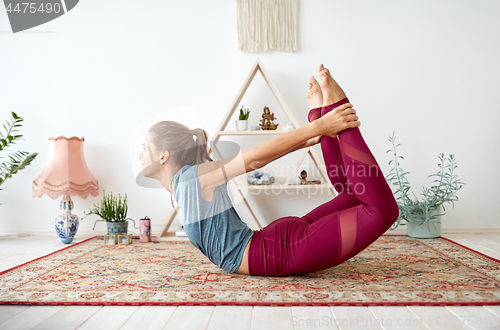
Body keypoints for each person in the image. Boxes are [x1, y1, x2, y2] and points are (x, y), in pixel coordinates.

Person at [138, 64, 399, 277]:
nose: (140, 154)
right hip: (273, 245)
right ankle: (323, 115)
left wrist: (316, 131)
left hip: (279, 252)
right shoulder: (183, 185)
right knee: (351, 195)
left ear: (163, 155)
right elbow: (256, 160)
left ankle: (337, 109)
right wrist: (310, 133)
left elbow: (254, 159)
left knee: (383, 211)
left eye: (145, 147)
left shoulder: (191, 179)